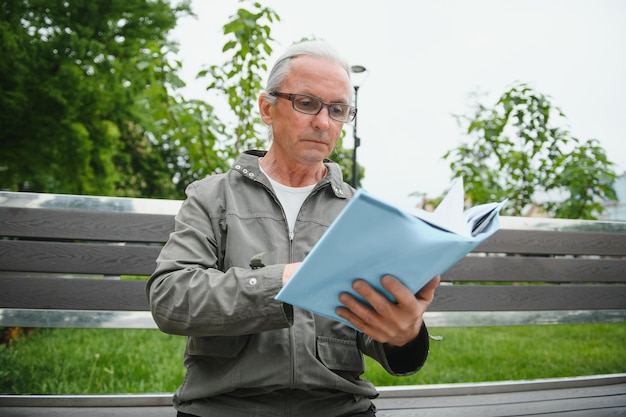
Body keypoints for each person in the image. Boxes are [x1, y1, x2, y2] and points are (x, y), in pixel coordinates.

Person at [146, 40, 440, 417]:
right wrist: (285, 280)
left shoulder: (360, 214)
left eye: (337, 110)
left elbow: (374, 333)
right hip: (224, 408)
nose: (323, 122)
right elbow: (170, 299)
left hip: (338, 409)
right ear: (266, 108)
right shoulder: (211, 197)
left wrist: (404, 335)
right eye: (306, 103)